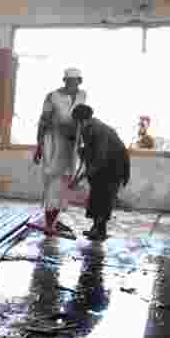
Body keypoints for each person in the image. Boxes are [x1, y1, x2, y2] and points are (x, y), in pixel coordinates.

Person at [33, 68, 87, 233]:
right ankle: (49, 224)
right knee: (53, 182)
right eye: (70, 82)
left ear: (80, 81)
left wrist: (81, 141)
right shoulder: (52, 97)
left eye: (76, 82)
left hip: (72, 143)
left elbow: (82, 118)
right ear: (64, 81)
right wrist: (39, 145)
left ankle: (54, 221)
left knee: (64, 182)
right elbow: (43, 121)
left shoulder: (82, 95)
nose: (73, 85)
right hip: (54, 141)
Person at [70, 104, 130, 241]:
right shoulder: (88, 128)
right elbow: (90, 152)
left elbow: (100, 157)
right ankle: (96, 228)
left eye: (77, 122)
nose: (76, 125)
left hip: (115, 166)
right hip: (104, 165)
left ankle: (100, 230)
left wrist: (81, 177)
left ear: (81, 120)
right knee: (96, 195)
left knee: (104, 197)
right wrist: (82, 154)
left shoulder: (98, 129)